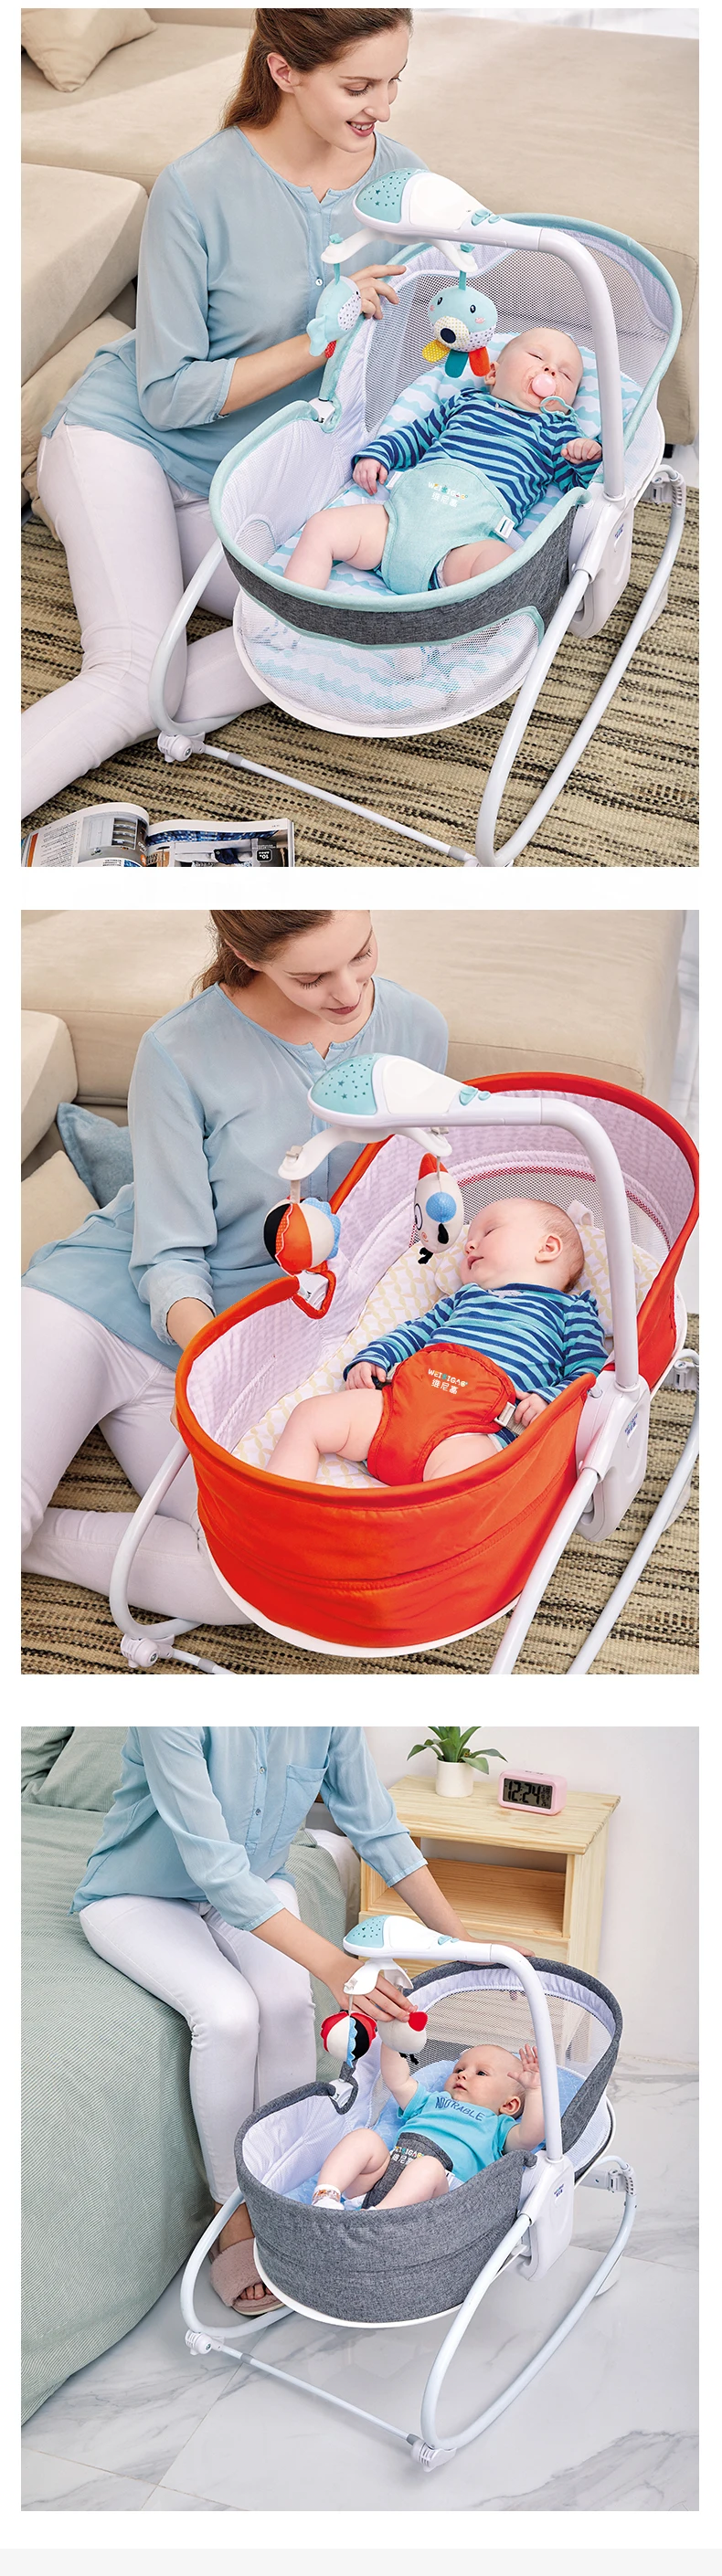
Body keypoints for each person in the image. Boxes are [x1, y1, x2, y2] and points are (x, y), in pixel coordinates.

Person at [21, 7, 423, 816]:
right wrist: (319, 339)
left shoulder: (403, 184)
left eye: (394, 82)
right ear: (284, 71)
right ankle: (140, 693)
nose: (383, 108)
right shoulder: (195, 188)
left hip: (249, 480)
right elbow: (167, 395)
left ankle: (158, 702)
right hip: (127, 442)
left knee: (366, 632)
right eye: (359, 86)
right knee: (129, 673)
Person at [22, 911, 447, 1618]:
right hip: (95, 1306)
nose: (348, 992)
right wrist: (216, 1367)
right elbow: (167, 1254)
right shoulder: (178, 1051)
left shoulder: (416, 1030)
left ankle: (35, 1542)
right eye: (311, 977)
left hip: (253, 1344)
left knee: (258, 1579)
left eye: (362, 954)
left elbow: (400, 1207)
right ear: (247, 953)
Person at [72, 1726, 475, 2307]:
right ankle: (231, 2214)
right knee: (229, 2015)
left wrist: (463, 1946)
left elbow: (375, 1826)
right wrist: (336, 1966)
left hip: (258, 1885)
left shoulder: (328, 1713)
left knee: (288, 2006)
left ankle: (286, 2194)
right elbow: (216, 1869)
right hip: (138, 1894)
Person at [268, 1195, 608, 1486]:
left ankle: (407, 1533)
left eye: (488, 1232)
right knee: (308, 1416)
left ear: (547, 1248)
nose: (469, 1245)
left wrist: (549, 1399)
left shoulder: (571, 1310)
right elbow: (417, 1331)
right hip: (398, 1406)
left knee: (465, 1482)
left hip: (473, 1430)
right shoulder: (463, 1298)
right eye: (469, 1239)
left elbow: (589, 1375)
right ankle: (278, 1507)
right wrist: (375, 1357)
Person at [284, 327, 602, 596]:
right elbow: (417, 435)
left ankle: (446, 635)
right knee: (322, 526)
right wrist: (380, 453)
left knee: (509, 570)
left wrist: (586, 457)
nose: (550, 371)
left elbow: (578, 488)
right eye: (537, 357)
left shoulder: (557, 431)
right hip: (397, 522)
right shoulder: (465, 403)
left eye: (565, 374)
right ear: (493, 373)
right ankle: (290, 615)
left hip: (466, 543)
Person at [312, 2040, 545, 2212]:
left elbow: (531, 2136)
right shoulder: (431, 2101)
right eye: (459, 2069)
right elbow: (398, 2081)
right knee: (364, 2138)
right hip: (385, 2174)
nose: (462, 2075)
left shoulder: (497, 2126)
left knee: (428, 2168)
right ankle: (326, 2197)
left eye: (481, 2073)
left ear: (509, 2105)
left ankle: (380, 2219)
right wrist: (393, 2038)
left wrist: (534, 2090)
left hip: (438, 2197)